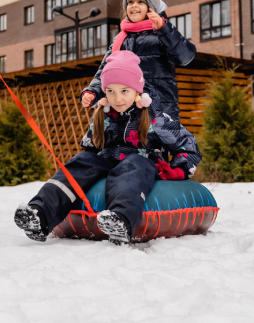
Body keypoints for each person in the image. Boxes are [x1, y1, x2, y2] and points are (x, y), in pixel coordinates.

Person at [14, 51, 201, 245]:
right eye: (110, 91)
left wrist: (177, 170)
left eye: (124, 91)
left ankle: (121, 219)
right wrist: (88, 166)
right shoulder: (103, 116)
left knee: (134, 163)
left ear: (138, 90)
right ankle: (40, 214)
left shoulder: (156, 119)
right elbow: (89, 147)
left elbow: (189, 145)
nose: (117, 98)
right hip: (108, 161)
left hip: (141, 164)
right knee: (81, 160)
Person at [80, 0, 195, 120]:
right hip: (127, 113)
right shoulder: (121, 40)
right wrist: (92, 92)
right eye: (130, 2)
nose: (134, 5)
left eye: (141, 2)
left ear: (151, 7)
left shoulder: (162, 34)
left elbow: (186, 56)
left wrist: (164, 29)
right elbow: (105, 72)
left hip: (160, 112)